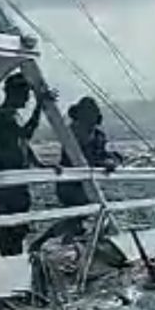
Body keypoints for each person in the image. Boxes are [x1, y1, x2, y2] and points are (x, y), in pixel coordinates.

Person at [28, 97, 123, 255]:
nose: (91, 118)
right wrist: (103, 162)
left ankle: (59, 242)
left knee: (77, 219)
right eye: (87, 114)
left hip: (85, 183)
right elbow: (82, 158)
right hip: (70, 183)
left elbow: (103, 154)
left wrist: (113, 160)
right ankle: (49, 242)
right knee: (78, 216)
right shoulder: (71, 134)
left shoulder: (98, 135)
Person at [0, 73, 56, 256]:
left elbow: (22, 144)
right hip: (8, 182)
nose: (27, 99)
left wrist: (40, 164)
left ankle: (13, 258)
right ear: (15, 93)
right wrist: (40, 106)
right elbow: (26, 134)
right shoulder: (5, 116)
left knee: (16, 227)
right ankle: (9, 262)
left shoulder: (11, 115)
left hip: (15, 181)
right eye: (26, 94)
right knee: (10, 229)